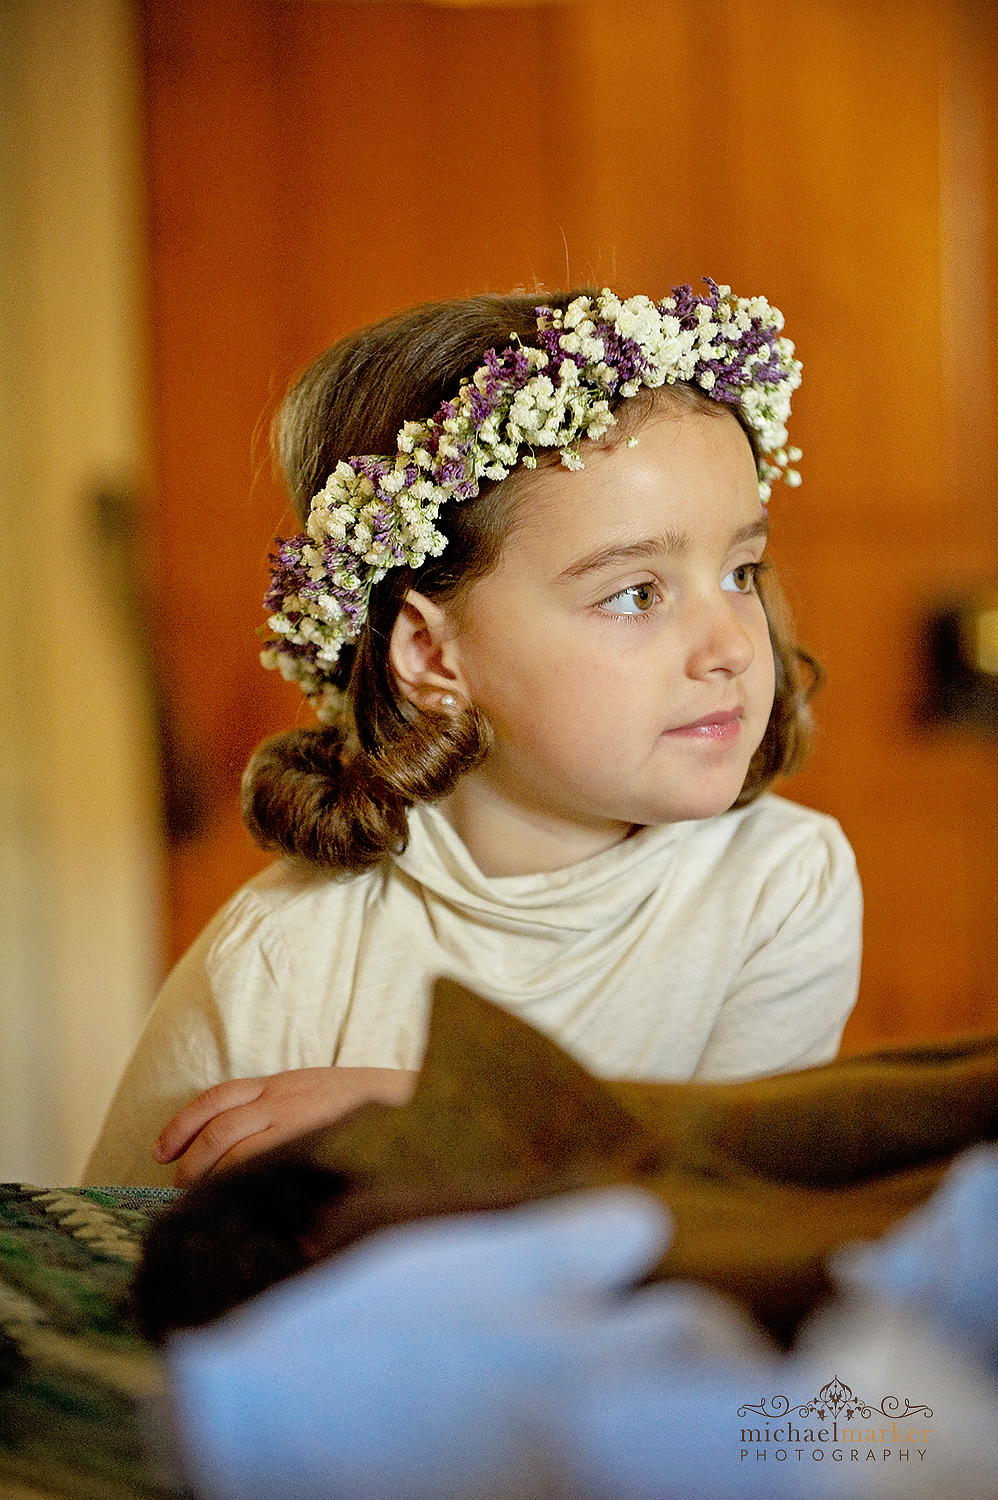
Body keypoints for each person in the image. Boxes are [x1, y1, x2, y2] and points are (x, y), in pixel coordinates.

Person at [84, 281, 862, 1188]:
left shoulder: (781, 886)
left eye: (741, 570)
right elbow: (102, 1271)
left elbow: (734, 1204)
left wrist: (447, 1115)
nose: (734, 643)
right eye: (634, 593)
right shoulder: (279, 962)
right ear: (431, 653)